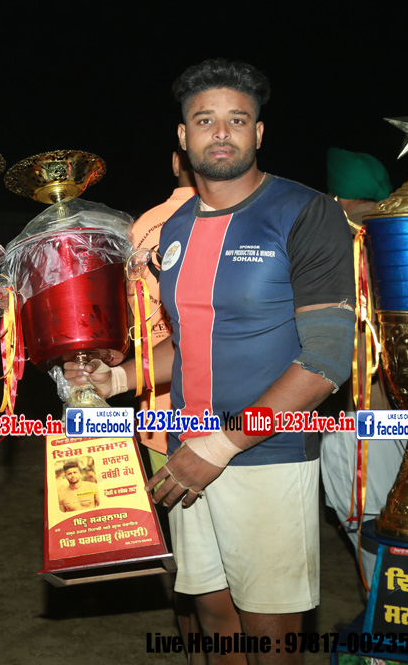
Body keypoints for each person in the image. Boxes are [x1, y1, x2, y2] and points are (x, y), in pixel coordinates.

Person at [68, 58, 355, 664]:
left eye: (237, 119)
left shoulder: (306, 211)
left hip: (265, 453)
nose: (221, 132)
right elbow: (190, 340)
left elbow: (328, 359)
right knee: (214, 618)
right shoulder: (174, 226)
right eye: (205, 120)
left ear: (259, 132)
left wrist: (221, 446)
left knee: (269, 633)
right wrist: (116, 377)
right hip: (186, 449)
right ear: (183, 135)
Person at [319, 147, 405, 587]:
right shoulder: (405, 235)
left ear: (338, 197)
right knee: (406, 522)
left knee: (370, 527)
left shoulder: (342, 241)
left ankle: (388, 617)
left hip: (361, 413)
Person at [132, 149, 198, 471]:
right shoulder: (236, 220)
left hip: (157, 412)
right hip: (226, 417)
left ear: (174, 162)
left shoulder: (140, 227)